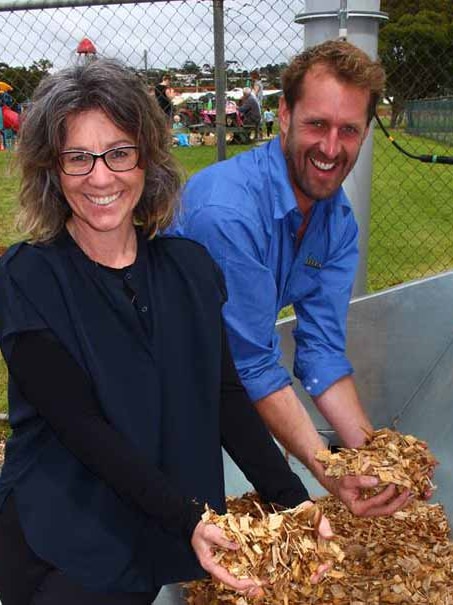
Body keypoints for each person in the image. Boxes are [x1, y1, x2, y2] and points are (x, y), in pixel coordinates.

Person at [0, 58, 332, 605]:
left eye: (119, 153)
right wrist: (188, 520)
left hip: (147, 534)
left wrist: (293, 504)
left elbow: (224, 396)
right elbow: (82, 426)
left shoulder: (189, 269)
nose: (101, 177)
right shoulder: (29, 277)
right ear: (52, 170)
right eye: (78, 157)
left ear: (146, 160)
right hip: (60, 544)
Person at [171, 40, 417, 518]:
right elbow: (253, 364)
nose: (330, 148)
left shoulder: (337, 223)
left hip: (221, 371)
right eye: (317, 125)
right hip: (153, 371)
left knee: (288, 507)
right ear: (283, 114)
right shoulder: (229, 212)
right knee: (186, 529)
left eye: (348, 130)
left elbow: (321, 350)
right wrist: (330, 468)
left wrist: (377, 460)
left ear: (366, 132)